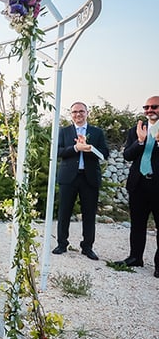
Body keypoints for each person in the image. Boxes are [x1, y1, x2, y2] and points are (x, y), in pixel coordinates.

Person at [52, 101, 109, 261]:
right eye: (75, 112)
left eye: (81, 111)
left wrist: (89, 148)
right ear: (71, 115)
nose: (78, 114)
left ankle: (87, 247)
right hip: (68, 177)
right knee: (64, 212)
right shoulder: (64, 131)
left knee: (89, 214)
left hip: (89, 177)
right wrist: (76, 148)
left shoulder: (97, 132)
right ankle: (62, 243)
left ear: (87, 113)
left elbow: (104, 153)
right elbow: (58, 151)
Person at [117, 95, 159, 275]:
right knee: (137, 224)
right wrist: (140, 141)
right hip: (138, 184)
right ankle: (135, 257)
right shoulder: (136, 130)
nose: (149, 110)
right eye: (146, 107)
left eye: (154, 107)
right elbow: (127, 155)